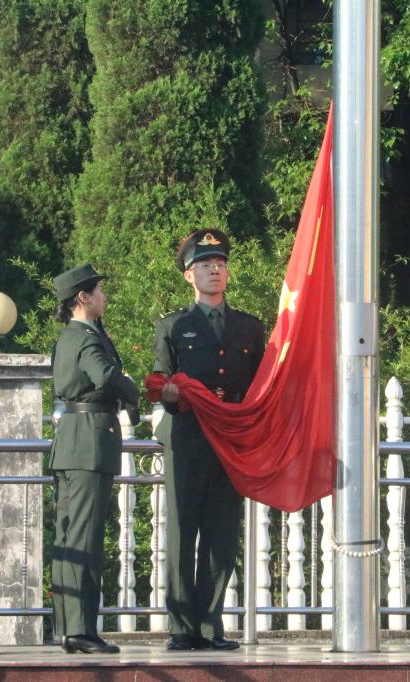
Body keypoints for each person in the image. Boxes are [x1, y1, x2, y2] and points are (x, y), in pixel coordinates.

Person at [152, 230, 266, 651]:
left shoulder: (249, 327)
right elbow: (160, 377)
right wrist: (169, 393)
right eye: (204, 265)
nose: (214, 270)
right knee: (183, 532)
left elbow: (261, 384)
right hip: (187, 438)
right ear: (189, 275)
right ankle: (181, 626)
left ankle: (209, 623)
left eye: (219, 263)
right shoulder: (173, 326)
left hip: (230, 441)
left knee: (222, 533)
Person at [50, 264, 139, 654]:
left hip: (72, 441)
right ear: (83, 297)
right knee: (84, 539)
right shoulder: (86, 339)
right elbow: (104, 376)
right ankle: (81, 630)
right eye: (99, 290)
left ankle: (68, 626)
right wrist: (132, 391)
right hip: (89, 442)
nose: (104, 296)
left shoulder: (71, 336)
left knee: (69, 537)